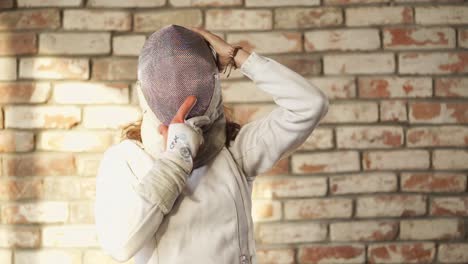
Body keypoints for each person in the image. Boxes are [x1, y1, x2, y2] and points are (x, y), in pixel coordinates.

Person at [94, 24, 329, 264]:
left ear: (211, 81)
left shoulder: (236, 152)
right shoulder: (127, 160)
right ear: (147, 88)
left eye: (190, 74)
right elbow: (118, 244)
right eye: (166, 77)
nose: (178, 85)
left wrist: (237, 57)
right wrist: (176, 159)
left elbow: (310, 105)